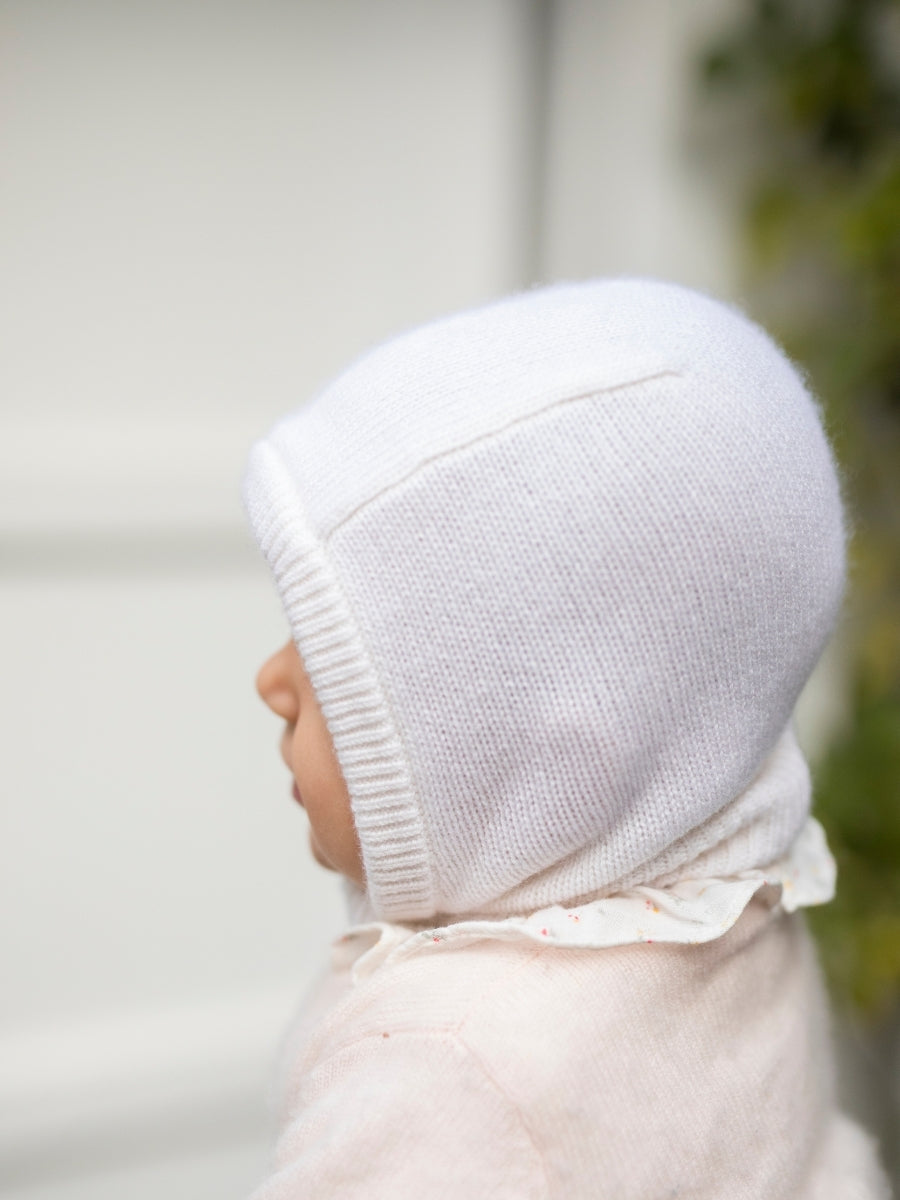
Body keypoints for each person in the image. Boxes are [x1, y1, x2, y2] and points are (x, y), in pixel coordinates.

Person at [243, 279, 890, 1199]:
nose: (272, 681)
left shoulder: (449, 1085)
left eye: (336, 664)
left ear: (541, 750)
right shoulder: (730, 905)